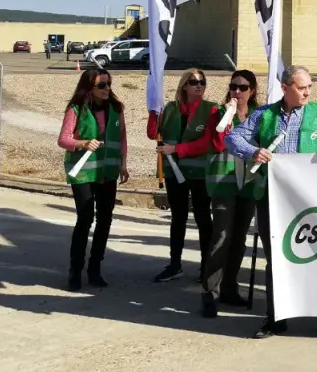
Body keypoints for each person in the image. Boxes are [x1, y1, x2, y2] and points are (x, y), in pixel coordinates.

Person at [226, 65, 317, 340]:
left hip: (312, 201)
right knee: (277, 259)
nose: (307, 92)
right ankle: (276, 318)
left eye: (309, 87)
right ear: (284, 88)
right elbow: (232, 138)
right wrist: (252, 151)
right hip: (273, 199)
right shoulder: (264, 115)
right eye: (301, 87)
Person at [160, 69, 261, 317]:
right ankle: (210, 294)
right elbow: (215, 143)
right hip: (224, 182)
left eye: (243, 87)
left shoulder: (259, 115)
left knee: (239, 239)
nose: (237, 91)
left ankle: (229, 288)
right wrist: (228, 115)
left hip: (248, 183)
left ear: (252, 91)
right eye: (233, 86)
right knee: (222, 236)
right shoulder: (219, 113)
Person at [57, 68, 130, 291]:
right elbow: (63, 139)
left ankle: (95, 269)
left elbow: (122, 136)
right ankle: (75, 271)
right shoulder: (76, 109)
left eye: (108, 84)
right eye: (101, 85)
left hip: (107, 172)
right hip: (84, 173)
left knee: (105, 220)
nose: (107, 89)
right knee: (85, 218)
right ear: (89, 87)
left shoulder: (116, 108)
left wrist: (123, 164)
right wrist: (83, 143)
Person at [148, 68, 217, 284]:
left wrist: (177, 149)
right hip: (173, 172)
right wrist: (153, 110)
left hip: (199, 173)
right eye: (194, 82)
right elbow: (153, 133)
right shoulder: (170, 108)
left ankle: (206, 266)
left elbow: (207, 143)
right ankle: (174, 264)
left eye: (202, 82)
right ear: (184, 85)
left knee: (203, 218)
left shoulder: (211, 109)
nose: (199, 86)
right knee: (178, 218)